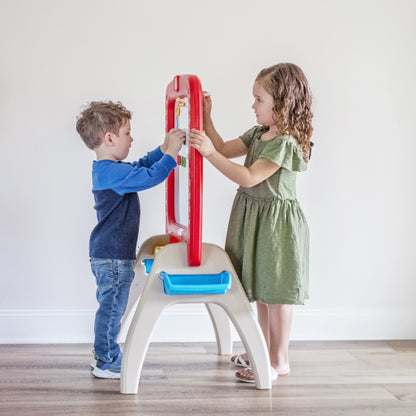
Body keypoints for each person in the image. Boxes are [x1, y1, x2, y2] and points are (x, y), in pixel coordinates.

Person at [189, 63, 313, 383]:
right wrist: (207, 119)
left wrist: (207, 154)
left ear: (282, 102)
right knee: (259, 291)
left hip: (276, 226)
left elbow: (248, 177)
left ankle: (278, 360)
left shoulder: (284, 143)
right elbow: (223, 148)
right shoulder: (258, 133)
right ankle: (262, 350)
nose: (253, 106)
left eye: (259, 99)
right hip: (254, 219)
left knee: (276, 294)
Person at [76, 101, 185, 378]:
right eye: (127, 133)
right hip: (111, 256)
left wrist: (162, 149)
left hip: (111, 253)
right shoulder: (111, 173)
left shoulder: (110, 169)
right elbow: (149, 176)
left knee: (113, 307)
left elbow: (140, 165)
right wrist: (171, 154)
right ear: (110, 138)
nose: (132, 138)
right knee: (112, 309)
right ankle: (105, 360)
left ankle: (105, 353)